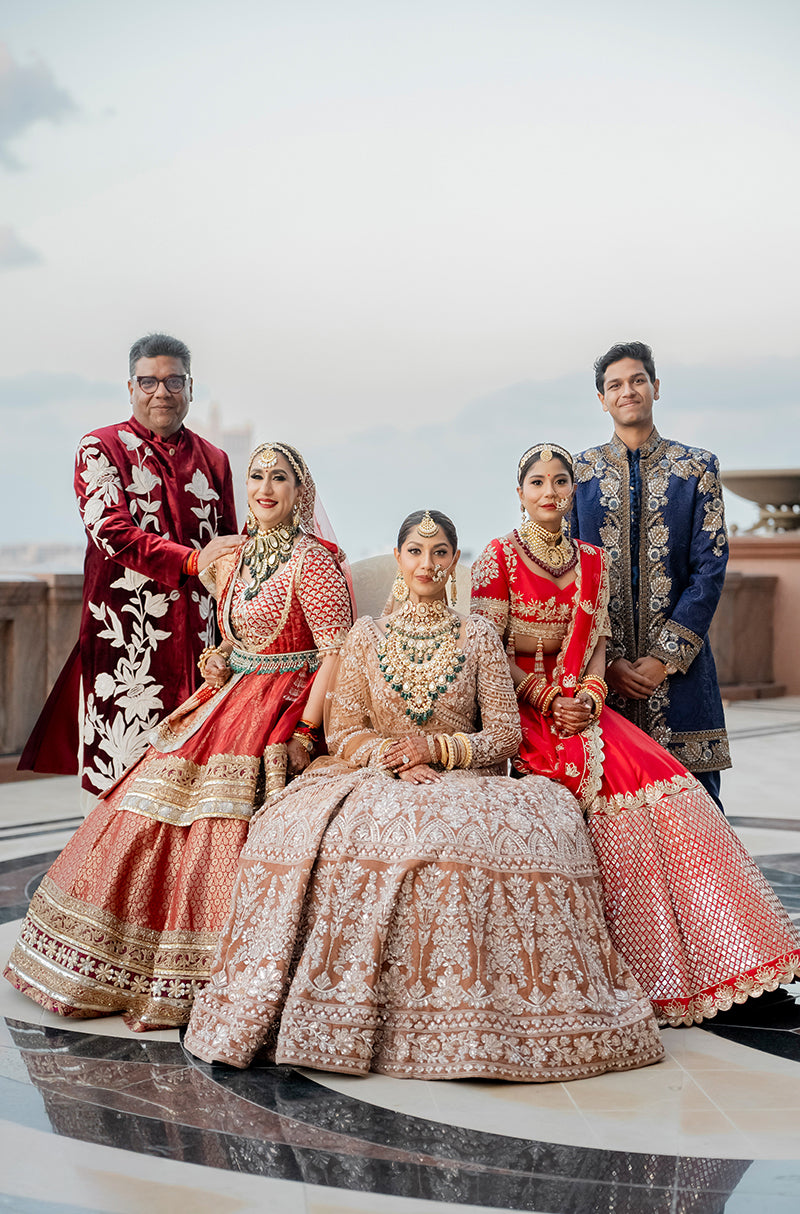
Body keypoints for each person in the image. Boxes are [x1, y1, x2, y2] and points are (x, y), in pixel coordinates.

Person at [184, 508, 664, 1081]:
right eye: (415, 551)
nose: (427, 564)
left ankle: (483, 1019)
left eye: (439, 553)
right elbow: (344, 729)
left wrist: (433, 750)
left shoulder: (478, 635)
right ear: (397, 559)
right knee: (334, 834)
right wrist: (390, 756)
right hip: (372, 775)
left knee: (515, 834)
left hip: (461, 778)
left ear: (454, 562)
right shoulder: (368, 636)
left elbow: (506, 736)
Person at [5, 442, 353, 1031]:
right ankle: (110, 961)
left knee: (218, 820)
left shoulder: (314, 561)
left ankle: (215, 973)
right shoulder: (237, 557)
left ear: (301, 492)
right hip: (228, 694)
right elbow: (229, 637)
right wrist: (219, 660)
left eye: (280, 479)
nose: (265, 489)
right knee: (146, 799)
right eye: (256, 477)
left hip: (285, 702)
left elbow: (338, 654)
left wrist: (306, 727)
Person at [471, 443, 800, 1026]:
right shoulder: (497, 560)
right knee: (620, 813)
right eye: (537, 482)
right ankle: (651, 972)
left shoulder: (592, 561)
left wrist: (592, 696)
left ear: (573, 492)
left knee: (678, 794)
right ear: (518, 492)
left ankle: (736, 966)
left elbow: (595, 646)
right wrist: (546, 698)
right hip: (521, 714)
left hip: (584, 708)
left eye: (561, 482)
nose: (550, 492)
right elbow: (489, 655)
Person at [19, 333, 240, 807]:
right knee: (119, 787)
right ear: (131, 387)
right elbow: (111, 531)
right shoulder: (100, 449)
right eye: (149, 381)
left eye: (173, 380)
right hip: (127, 647)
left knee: (194, 788)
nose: (162, 392)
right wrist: (192, 559)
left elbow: (231, 553)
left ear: (190, 387)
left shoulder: (214, 461)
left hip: (203, 653)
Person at [572, 341, 729, 809]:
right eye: (615, 385)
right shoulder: (579, 475)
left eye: (637, 380)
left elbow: (709, 569)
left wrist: (664, 659)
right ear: (602, 399)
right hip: (604, 684)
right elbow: (573, 574)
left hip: (682, 677)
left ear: (655, 388)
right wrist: (610, 662)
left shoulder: (697, 468)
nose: (628, 391)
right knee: (613, 822)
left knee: (699, 816)